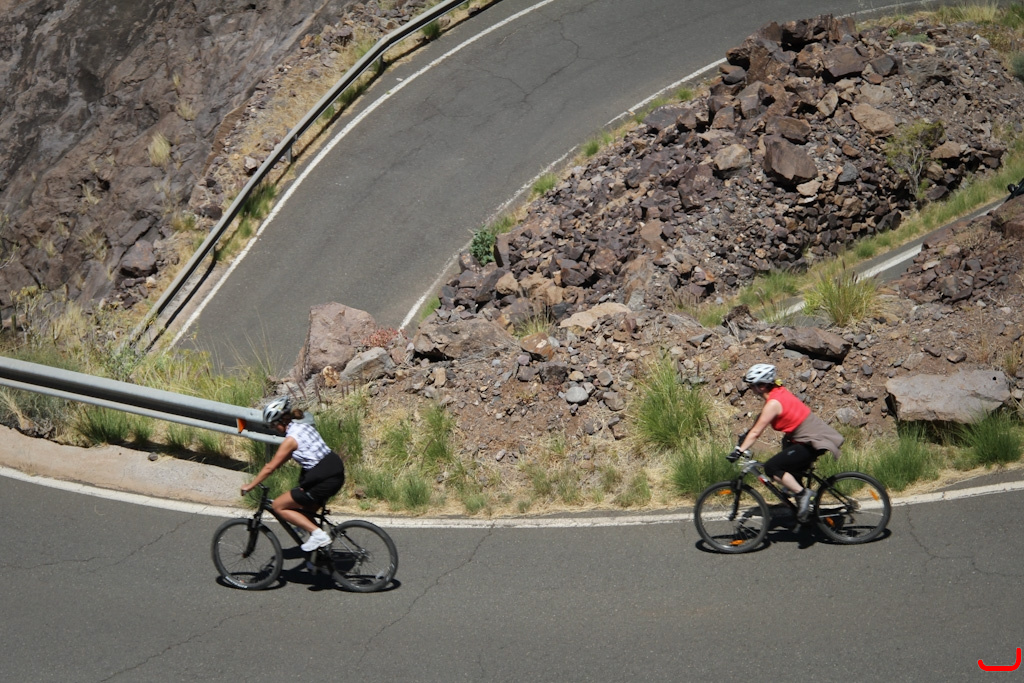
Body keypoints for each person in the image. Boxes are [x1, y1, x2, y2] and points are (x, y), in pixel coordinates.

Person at [732, 363, 844, 521]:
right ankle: (798, 502)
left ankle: (802, 494)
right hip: (802, 438)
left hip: (811, 441)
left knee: (772, 467)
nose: (751, 389)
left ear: (761, 386)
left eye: (752, 386)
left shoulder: (773, 403)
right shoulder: (777, 392)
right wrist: (746, 435)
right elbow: (761, 419)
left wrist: (739, 450)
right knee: (786, 455)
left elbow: (757, 432)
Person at [241, 396, 346, 551]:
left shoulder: (291, 440)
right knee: (305, 513)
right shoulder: (304, 427)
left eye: (273, 425)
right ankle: (319, 557)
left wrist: (250, 486)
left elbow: (270, 467)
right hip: (335, 472)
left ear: (282, 421)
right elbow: (285, 461)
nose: (273, 429)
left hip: (324, 479)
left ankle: (319, 535)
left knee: (278, 506)